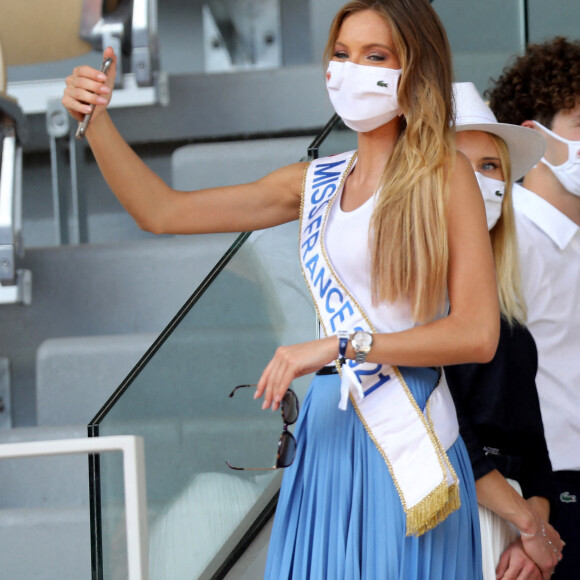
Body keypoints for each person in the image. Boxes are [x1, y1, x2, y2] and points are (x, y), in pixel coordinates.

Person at [63, 1, 501, 577]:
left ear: (414, 69)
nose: (350, 69)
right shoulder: (312, 181)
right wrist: (95, 118)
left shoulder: (446, 175)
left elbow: (477, 334)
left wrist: (343, 346)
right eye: (341, 54)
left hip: (408, 436)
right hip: (325, 434)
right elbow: (161, 211)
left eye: (375, 56)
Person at [446, 82, 564, 580]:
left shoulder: (509, 320)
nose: (477, 180)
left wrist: (528, 531)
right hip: (445, 520)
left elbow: (534, 450)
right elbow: (443, 434)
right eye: (457, 164)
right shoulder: (408, 307)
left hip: (505, 531)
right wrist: (529, 527)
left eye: (489, 166)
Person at [486, 37, 580, 580]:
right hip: (547, 495)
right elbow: (481, 390)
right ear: (533, 137)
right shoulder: (504, 241)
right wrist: (528, 523)